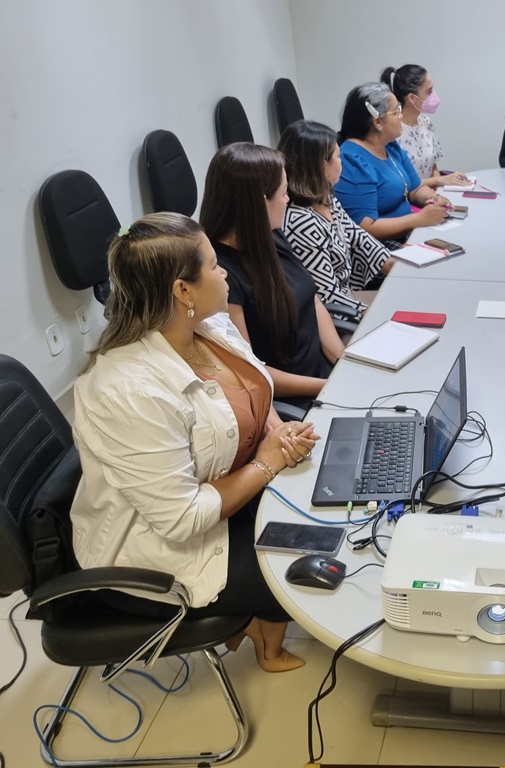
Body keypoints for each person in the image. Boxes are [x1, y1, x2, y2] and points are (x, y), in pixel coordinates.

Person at [71, 213, 320, 673]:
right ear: (182, 290)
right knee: (307, 562)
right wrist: (267, 464)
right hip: (162, 556)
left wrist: (274, 432)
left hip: (227, 491)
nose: (224, 270)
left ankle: (264, 632)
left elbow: (253, 390)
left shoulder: (208, 327)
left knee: (327, 509)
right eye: (212, 264)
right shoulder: (127, 391)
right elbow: (181, 519)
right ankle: (267, 645)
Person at [200, 142, 345, 410]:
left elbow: (312, 301)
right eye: (283, 193)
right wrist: (329, 386)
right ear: (259, 203)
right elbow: (251, 372)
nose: (288, 200)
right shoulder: (221, 275)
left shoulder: (270, 235)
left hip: (326, 375)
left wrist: (342, 362)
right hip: (298, 398)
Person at [277, 120, 393, 317]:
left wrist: (401, 268)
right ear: (323, 167)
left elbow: (364, 242)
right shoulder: (300, 222)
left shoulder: (327, 200)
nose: (342, 162)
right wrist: (374, 314)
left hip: (349, 300)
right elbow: (327, 297)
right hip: (338, 316)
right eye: (338, 157)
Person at [335, 82, 451, 248]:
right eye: (396, 112)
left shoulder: (391, 146)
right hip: (379, 250)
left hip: (406, 234)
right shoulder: (352, 160)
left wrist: (432, 198)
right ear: (378, 122)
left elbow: (415, 188)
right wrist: (418, 219)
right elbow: (365, 228)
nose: (401, 116)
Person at [382, 64, 472, 188]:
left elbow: (433, 166)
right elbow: (403, 183)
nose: (434, 95)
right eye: (429, 91)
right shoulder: (393, 132)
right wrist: (442, 180)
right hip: (408, 200)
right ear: (412, 98)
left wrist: (441, 192)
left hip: (430, 196)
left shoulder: (426, 122)